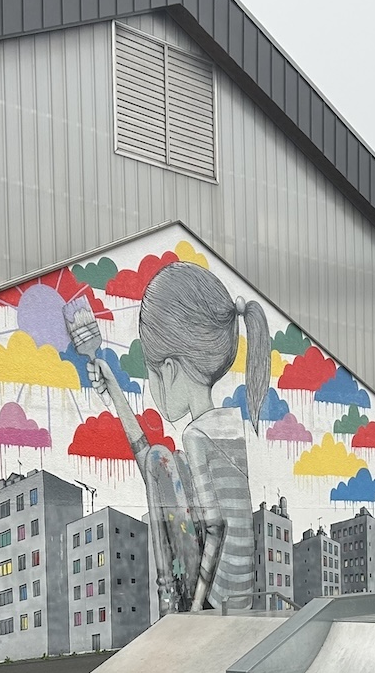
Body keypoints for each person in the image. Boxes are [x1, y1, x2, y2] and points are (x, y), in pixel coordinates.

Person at [64, 262, 272, 612]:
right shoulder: (230, 424)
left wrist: (194, 608)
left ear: (171, 370)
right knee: (160, 461)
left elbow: (216, 526)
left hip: (216, 597)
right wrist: (114, 390)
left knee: (160, 459)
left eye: (152, 374)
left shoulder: (195, 435)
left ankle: (169, 604)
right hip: (243, 591)